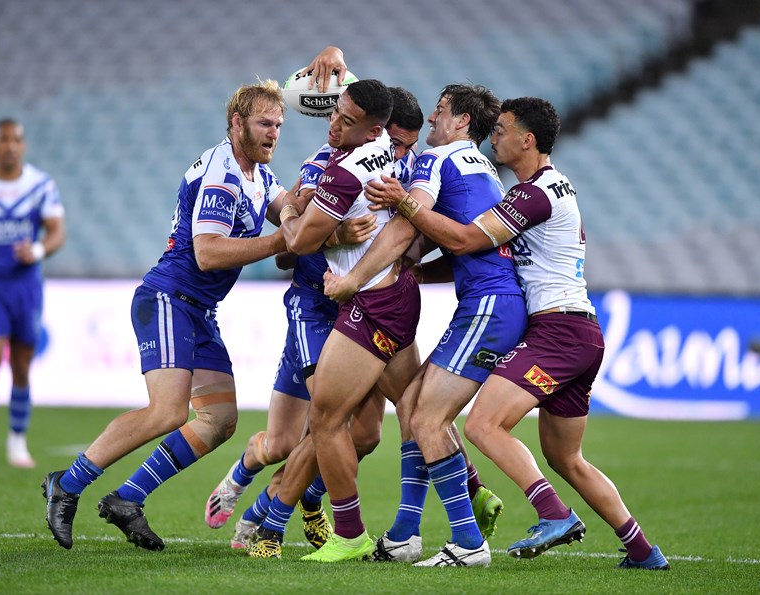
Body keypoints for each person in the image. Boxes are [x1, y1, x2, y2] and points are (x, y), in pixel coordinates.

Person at [39, 49, 343, 550]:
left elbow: (289, 209)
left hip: (197, 310)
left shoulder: (258, 175)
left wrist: (327, 193)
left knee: (221, 420)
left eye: (280, 125)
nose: (273, 133)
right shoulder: (223, 174)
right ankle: (65, 485)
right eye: (264, 123)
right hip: (168, 298)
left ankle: (128, 498)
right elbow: (207, 253)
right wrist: (281, 241)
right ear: (236, 121)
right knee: (167, 412)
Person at [366, 96, 670, 570]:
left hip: (557, 331)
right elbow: (477, 252)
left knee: (481, 425)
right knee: (567, 459)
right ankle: (643, 551)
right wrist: (418, 273)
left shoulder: (532, 194)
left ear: (528, 140)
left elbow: (467, 240)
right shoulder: (547, 189)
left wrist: (403, 202)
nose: (494, 137)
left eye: (503, 130)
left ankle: (552, 515)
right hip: (581, 331)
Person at [204, 86, 424, 555]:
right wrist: (327, 231)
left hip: (358, 305)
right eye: (335, 115)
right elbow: (295, 239)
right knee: (301, 434)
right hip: (313, 306)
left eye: (409, 146)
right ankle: (260, 503)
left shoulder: (382, 162)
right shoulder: (323, 164)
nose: (334, 124)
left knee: (362, 433)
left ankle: (297, 505)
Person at [328, 83, 527, 568]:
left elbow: (403, 231)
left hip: (486, 307)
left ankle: (468, 542)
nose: (433, 121)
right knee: (414, 404)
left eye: (440, 112)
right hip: (495, 305)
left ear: (461, 122)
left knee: (425, 419)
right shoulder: (486, 173)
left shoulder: (438, 162)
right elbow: (461, 242)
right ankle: (403, 535)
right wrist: (416, 265)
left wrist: (355, 277)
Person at [277, 79, 424, 563]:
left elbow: (296, 244)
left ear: (372, 128)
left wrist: (289, 209)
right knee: (416, 409)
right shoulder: (383, 146)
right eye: (334, 111)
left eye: (344, 119)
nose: (332, 123)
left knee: (324, 417)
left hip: (371, 305)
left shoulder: (342, 176)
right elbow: (369, 98)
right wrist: (336, 59)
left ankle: (349, 532)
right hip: (399, 292)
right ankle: (471, 501)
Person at [0, 119, 66, 469]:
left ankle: (17, 441)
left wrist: (36, 250)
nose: (10, 146)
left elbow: (56, 232)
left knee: (21, 364)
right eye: (4, 139)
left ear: (24, 145)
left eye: (16, 139)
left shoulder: (39, 185)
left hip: (26, 287)